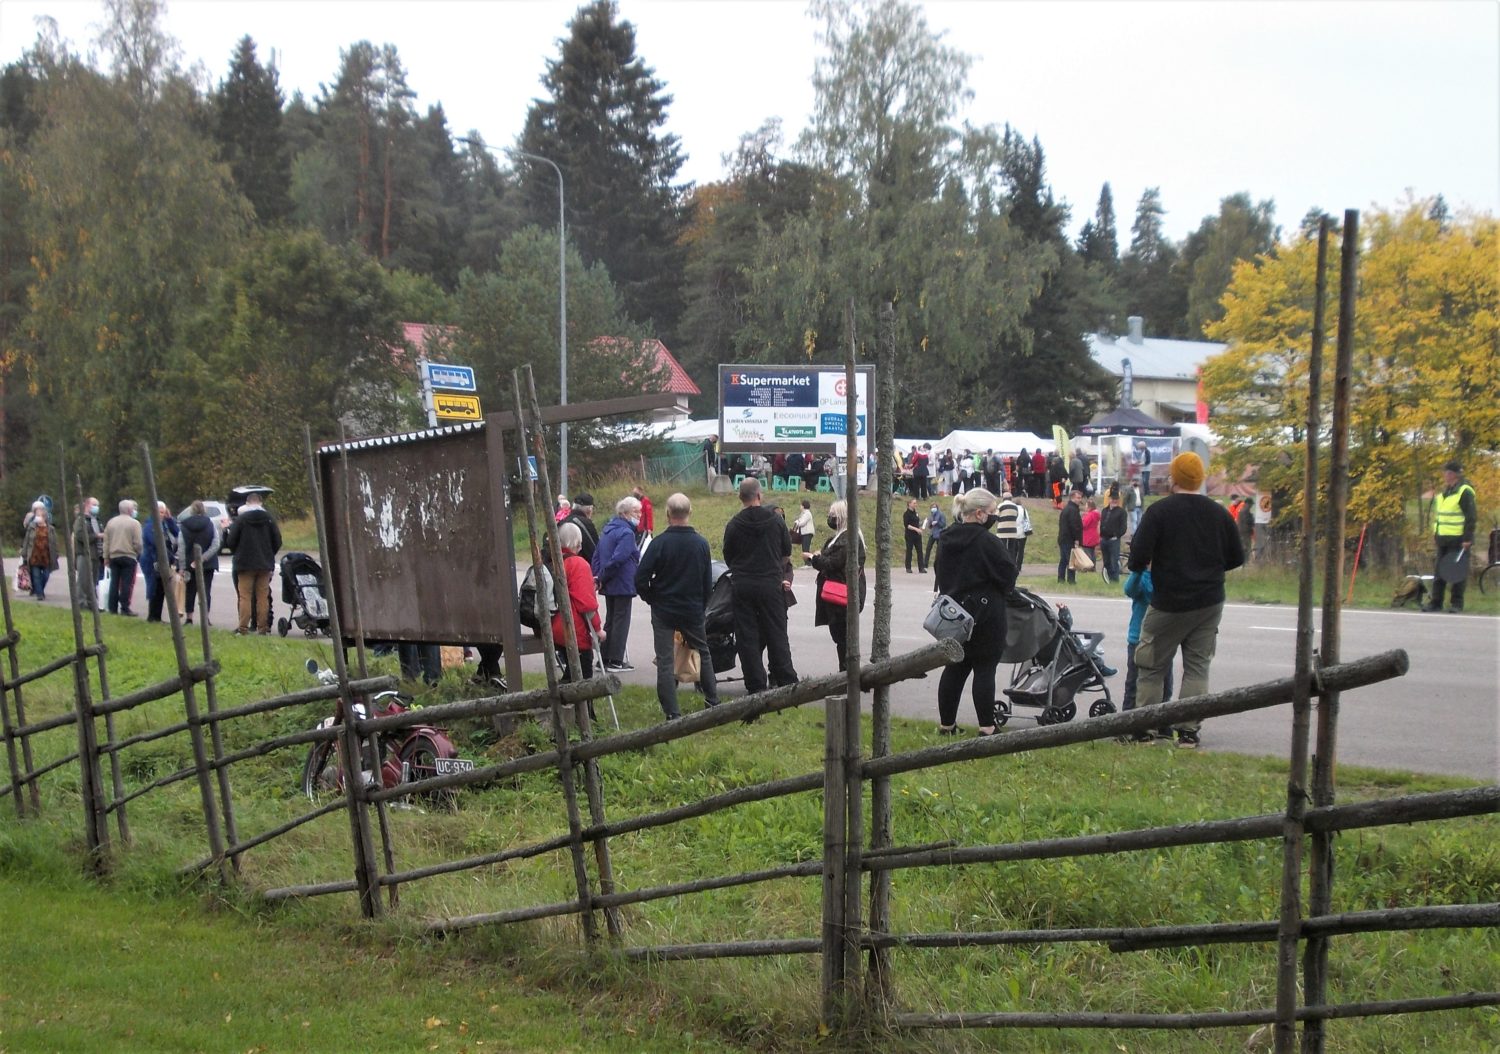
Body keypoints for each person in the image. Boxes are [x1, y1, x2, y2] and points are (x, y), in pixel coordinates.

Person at [1126, 452, 1245, 748]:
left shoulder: (1160, 512)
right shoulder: (1218, 513)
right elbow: (1236, 557)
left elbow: (1137, 558)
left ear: (1174, 478)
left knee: (1151, 664)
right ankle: (1189, 732)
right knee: (1197, 667)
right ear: (1200, 478)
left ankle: (1145, 729)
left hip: (1169, 601)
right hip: (1209, 602)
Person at [934, 488, 1018, 736]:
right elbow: (1008, 575)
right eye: (993, 512)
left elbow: (940, 571)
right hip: (986, 614)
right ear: (980, 514)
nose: (995, 517)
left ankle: (947, 725)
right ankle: (987, 727)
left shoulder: (946, 537)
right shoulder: (987, 541)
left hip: (953, 614)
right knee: (984, 669)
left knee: (955, 668)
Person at [635, 492, 719, 719]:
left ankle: (672, 713)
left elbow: (640, 578)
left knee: (665, 660)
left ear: (668, 514)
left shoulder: (659, 543)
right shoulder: (701, 544)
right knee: (704, 653)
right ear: (689, 512)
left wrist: (652, 597)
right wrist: (701, 605)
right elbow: (706, 581)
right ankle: (713, 702)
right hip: (692, 608)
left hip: (664, 609)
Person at [723, 477, 797, 694]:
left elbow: (729, 556)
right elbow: (786, 552)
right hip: (770, 585)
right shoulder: (776, 522)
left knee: (747, 636)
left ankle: (755, 684)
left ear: (740, 497)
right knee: (776, 632)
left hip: (743, 586)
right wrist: (774, 569)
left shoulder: (734, 525)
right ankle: (786, 680)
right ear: (759, 495)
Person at [803, 499, 866, 673]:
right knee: (841, 637)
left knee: (843, 637)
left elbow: (831, 563)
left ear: (841, 517)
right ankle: (847, 673)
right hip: (839, 595)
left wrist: (814, 558)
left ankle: (847, 674)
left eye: (832, 515)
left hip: (840, 595)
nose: (829, 518)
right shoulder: (843, 536)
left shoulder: (847, 538)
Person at [1119, 568, 1175, 741]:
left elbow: (1156, 595)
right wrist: (1139, 570)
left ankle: (1163, 723)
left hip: (1162, 638)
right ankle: (1126, 725)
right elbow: (1129, 589)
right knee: (1133, 684)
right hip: (1138, 638)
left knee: (1165, 683)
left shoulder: (1164, 573)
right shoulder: (1141, 575)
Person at [593, 495, 643, 671]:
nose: (640, 515)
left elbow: (597, 555)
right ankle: (615, 659)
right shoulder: (627, 533)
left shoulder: (607, 529)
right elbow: (619, 558)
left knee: (611, 620)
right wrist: (604, 575)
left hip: (610, 582)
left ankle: (604, 657)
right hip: (622, 581)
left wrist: (599, 576)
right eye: (637, 512)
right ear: (626, 513)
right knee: (621, 621)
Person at [1423, 459, 1477, 613]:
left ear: (1454, 474)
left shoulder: (1464, 491)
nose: (1444, 475)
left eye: (1447, 472)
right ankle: (1436, 602)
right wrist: (1436, 533)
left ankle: (1456, 604)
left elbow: (1471, 517)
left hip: (1459, 539)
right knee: (1439, 572)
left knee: (1457, 573)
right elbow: (1440, 516)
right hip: (1443, 538)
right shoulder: (1445, 492)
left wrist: (1468, 538)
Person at [225, 490, 282, 635]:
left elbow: (231, 541)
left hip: (244, 564)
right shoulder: (269, 518)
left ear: (247, 503)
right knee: (262, 596)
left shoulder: (241, 519)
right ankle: (263, 628)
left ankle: (243, 627)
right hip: (264, 564)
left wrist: (238, 552)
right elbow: (278, 541)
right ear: (261, 503)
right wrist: (269, 554)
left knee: (245, 596)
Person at [552, 521, 603, 678]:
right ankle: (580, 703)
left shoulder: (552, 560)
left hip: (554, 627)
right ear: (577, 543)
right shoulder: (578, 564)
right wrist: (598, 629)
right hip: (573, 629)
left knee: (570, 672)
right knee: (583, 675)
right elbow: (586, 604)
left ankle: (561, 699)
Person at [177, 500, 221, 626]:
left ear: (191, 510)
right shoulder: (210, 524)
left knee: (190, 590)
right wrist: (203, 558)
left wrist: (182, 566)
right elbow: (216, 543)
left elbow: (181, 547)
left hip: (189, 564)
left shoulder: (184, 526)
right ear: (204, 510)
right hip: (207, 564)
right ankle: (205, 617)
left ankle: (189, 618)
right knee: (206, 590)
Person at [140, 501, 180, 623]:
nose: (162, 515)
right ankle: (152, 616)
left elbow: (177, 532)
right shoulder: (150, 526)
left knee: (162, 588)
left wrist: (169, 519)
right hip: (152, 560)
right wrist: (171, 556)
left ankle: (158, 616)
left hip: (164, 560)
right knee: (154, 588)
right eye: (160, 512)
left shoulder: (164, 524)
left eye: (163, 512)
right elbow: (156, 543)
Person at [103, 500, 143, 616]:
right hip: (129, 555)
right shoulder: (134, 523)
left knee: (114, 583)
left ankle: (112, 608)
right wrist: (137, 552)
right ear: (130, 510)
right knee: (126, 583)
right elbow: (138, 542)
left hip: (114, 556)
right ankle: (125, 607)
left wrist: (106, 556)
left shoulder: (111, 522)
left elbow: (106, 541)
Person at [21, 505, 58, 601]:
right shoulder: (31, 527)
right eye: (36, 515)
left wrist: (56, 554)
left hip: (46, 556)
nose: (36, 517)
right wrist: (24, 554)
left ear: (44, 517)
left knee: (45, 575)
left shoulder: (51, 529)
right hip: (34, 555)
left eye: (39, 515)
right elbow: (26, 541)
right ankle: (40, 594)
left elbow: (54, 543)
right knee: (36, 576)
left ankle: (38, 589)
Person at [72, 497, 105, 588]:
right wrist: (97, 536)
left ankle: (91, 601)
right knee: (83, 581)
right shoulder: (81, 520)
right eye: (94, 505)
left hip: (96, 555)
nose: (96, 507)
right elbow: (80, 536)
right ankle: (82, 601)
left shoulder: (97, 521)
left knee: (93, 582)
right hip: (84, 554)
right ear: (87, 505)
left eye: (97, 505)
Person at [1056, 487, 1085, 584]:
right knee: (1070, 560)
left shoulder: (1067, 509)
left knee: (1064, 560)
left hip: (1064, 538)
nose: (1079, 500)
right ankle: (1071, 580)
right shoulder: (1072, 510)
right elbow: (1074, 526)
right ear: (1072, 498)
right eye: (1078, 498)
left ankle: (1061, 579)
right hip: (1069, 539)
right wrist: (1077, 539)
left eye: (1080, 498)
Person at [561, 493, 599, 563]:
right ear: (590, 509)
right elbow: (595, 549)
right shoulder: (586, 523)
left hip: (564, 565)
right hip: (581, 565)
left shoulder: (563, 522)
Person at [993, 490, 1027, 568]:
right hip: (1012, 530)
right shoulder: (1015, 506)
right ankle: (1011, 565)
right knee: (1011, 549)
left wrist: (1001, 520)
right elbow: (1016, 516)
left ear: (1003, 498)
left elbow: (996, 516)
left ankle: (1002, 565)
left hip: (1002, 530)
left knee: (1002, 548)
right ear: (1011, 498)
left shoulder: (1000, 506)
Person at [1099, 491, 1128, 583]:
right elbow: (1102, 523)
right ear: (1109, 499)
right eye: (1112, 499)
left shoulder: (1121, 512)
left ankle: (1115, 581)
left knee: (1114, 561)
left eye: (1116, 499)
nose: (1114, 501)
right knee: (1106, 562)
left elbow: (1123, 527)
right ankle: (1111, 579)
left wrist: (1117, 535)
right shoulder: (1104, 510)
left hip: (1114, 540)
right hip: (1104, 539)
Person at [902, 498, 927, 573]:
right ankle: (908, 567)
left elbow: (917, 522)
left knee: (920, 551)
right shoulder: (906, 514)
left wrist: (922, 525)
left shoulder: (916, 513)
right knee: (909, 551)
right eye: (914, 503)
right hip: (910, 535)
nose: (915, 504)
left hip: (917, 535)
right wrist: (916, 529)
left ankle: (921, 567)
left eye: (916, 503)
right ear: (909, 504)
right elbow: (907, 525)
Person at [923, 500, 946, 571]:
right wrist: (930, 524)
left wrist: (937, 523)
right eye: (932, 507)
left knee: (939, 550)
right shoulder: (931, 515)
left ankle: (940, 564)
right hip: (933, 534)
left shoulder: (941, 514)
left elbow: (943, 524)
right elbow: (929, 526)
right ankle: (925, 564)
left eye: (935, 507)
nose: (933, 508)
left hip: (939, 534)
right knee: (928, 548)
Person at [1080, 498, 1101, 567]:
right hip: (1094, 535)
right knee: (1092, 552)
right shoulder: (1096, 514)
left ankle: (1089, 567)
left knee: (1087, 552)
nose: (1085, 508)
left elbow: (1084, 525)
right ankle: (1093, 566)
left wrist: (1082, 518)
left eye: (1086, 506)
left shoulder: (1090, 515)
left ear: (1089, 507)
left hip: (1088, 536)